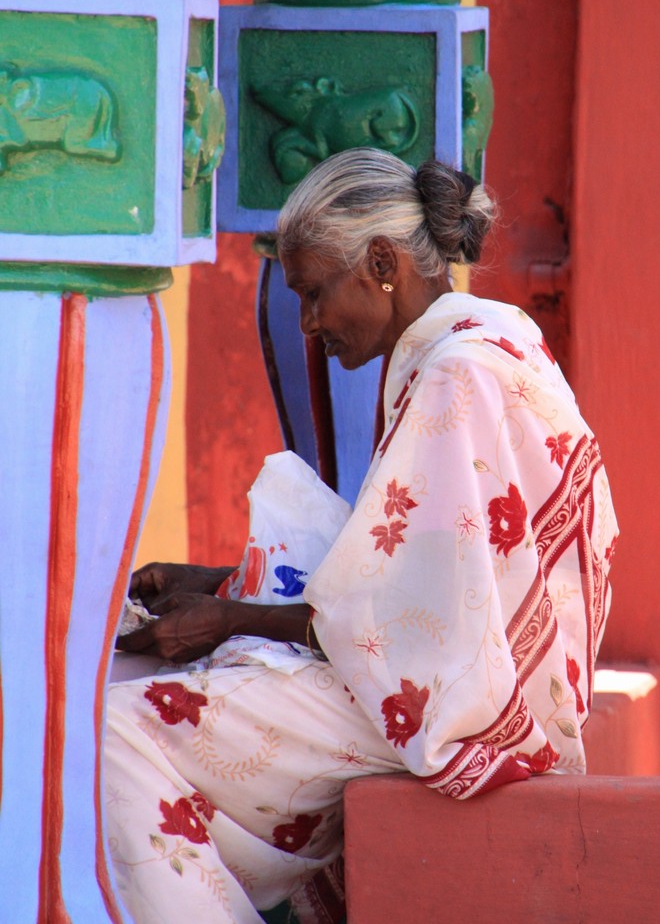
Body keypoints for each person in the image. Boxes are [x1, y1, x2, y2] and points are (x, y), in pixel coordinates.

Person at [105, 148, 617, 923]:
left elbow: (412, 625)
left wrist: (233, 619)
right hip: (455, 688)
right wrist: (221, 586)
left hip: (461, 716)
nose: (309, 323)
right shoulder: (488, 341)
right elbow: (406, 581)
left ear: (382, 263)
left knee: (107, 731)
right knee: (119, 679)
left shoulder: (455, 375)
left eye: (314, 293)